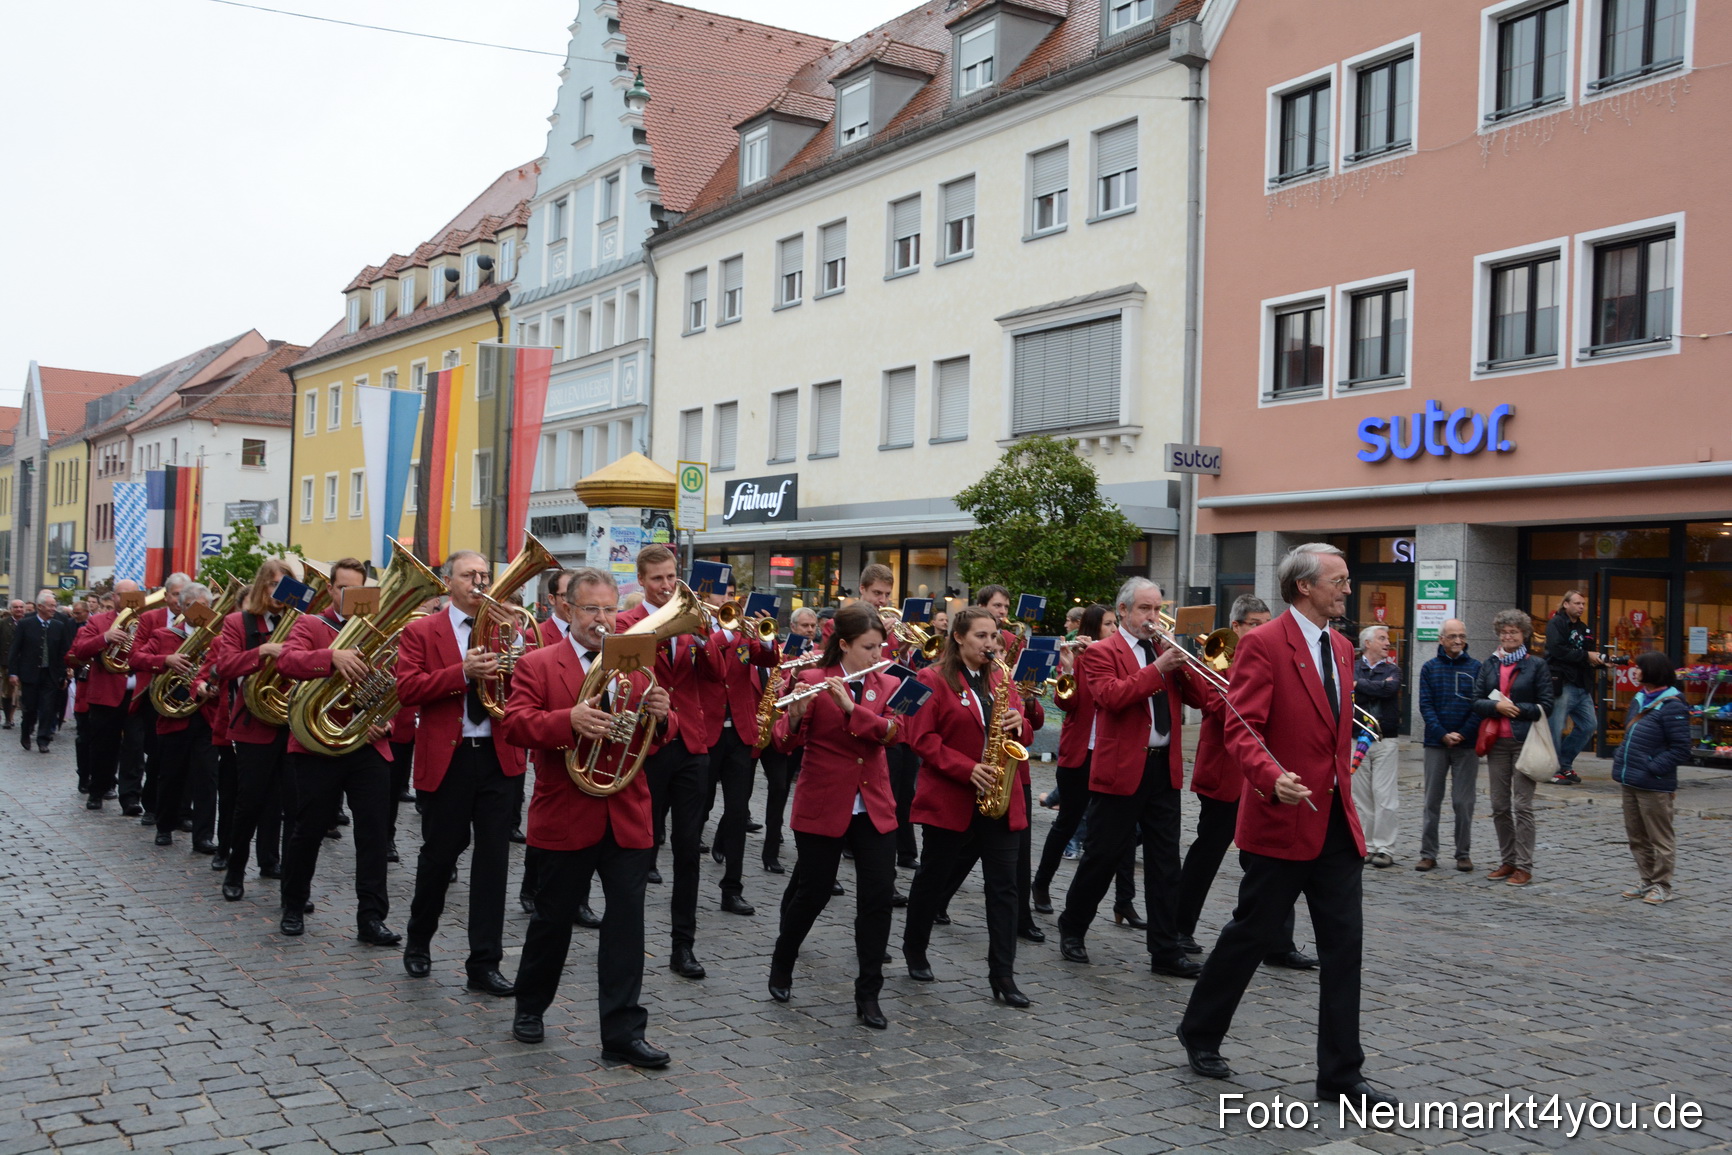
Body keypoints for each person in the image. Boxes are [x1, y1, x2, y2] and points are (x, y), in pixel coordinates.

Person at [1179, 543, 1393, 1107]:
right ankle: (1200, 1031)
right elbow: (1241, 727)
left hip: (1336, 827)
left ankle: (1341, 1075)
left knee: (1345, 949)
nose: (1348, 589)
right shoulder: (1263, 642)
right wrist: (1271, 777)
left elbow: (1333, 727)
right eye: (1339, 580)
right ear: (1304, 587)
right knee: (1251, 933)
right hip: (1282, 820)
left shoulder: (1344, 647)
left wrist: (1350, 756)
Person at [503, 566, 674, 1067]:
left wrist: (664, 714)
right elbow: (515, 724)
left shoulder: (636, 659)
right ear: (566, 610)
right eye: (591, 609)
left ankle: (622, 1031)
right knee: (552, 920)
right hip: (566, 811)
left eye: (609, 609)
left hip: (626, 810)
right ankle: (530, 1006)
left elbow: (665, 728)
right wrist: (567, 721)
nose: (602, 619)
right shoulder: (538, 663)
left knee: (626, 927)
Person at [396, 551, 529, 996]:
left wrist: (522, 647)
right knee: (439, 856)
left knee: (493, 864)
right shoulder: (421, 631)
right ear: (447, 581)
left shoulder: (508, 626)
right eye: (469, 575)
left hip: (498, 755)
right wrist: (461, 672)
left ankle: (484, 963)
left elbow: (530, 682)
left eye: (485, 575)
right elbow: (407, 688)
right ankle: (419, 941)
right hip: (449, 759)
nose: (480, 581)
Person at [1054, 578, 1202, 978]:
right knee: (1102, 857)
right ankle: (1073, 925)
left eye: (1157, 610)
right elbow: (1112, 697)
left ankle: (1165, 951)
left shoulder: (1163, 650)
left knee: (1165, 862)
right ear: (1122, 611)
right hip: (1121, 768)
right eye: (1144, 610)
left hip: (1162, 767)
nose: (1153, 618)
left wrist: (1185, 664)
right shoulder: (1101, 652)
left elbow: (1203, 699)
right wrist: (1158, 669)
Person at [765, 603, 903, 1028]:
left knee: (878, 897)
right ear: (843, 645)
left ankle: (868, 994)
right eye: (867, 647)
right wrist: (794, 717)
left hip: (873, 804)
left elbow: (895, 734)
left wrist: (850, 708)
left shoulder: (889, 682)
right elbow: (783, 744)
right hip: (824, 800)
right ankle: (782, 962)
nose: (877, 655)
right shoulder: (809, 680)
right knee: (814, 891)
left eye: (880, 646)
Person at [902, 607, 1039, 1007]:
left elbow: (1025, 735)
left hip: (1000, 796)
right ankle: (915, 947)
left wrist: (1021, 720)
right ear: (959, 637)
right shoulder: (931, 677)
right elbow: (921, 739)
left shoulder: (1001, 677)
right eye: (981, 636)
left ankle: (1003, 975)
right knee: (934, 876)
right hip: (952, 797)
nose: (990, 644)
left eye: (993, 636)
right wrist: (967, 769)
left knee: (1005, 888)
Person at [1175, 596, 1315, 969]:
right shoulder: (1215, 660)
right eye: (1253, 623)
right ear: (1235, 627)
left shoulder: (1272, 657)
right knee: (1207, 854)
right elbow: (1214, 706)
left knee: (1271, 860)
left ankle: (1278, 942)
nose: (1261, 629)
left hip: (1262, 775)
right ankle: (1178, 928)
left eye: (1266, 622)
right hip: (1224, 771)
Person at [272, 557, 399, 944]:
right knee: (307, 829)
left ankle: (371, 918)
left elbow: (399, 678)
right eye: (343, 589)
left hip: (367, 741)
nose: (350, 596)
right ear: (330, 589)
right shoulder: (311, 623)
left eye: (358, 590)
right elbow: (287, 661)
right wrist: (331, 657)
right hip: (317, 744)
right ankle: (294, 905)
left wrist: (389, 718)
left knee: (374, 834)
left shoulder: (378, 630)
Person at [616, 544, 720, 981]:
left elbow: (717, 674)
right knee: (642, 845)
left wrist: (705, 637)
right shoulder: (626, 622)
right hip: (648, 744)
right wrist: (658, 630)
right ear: (641, 581)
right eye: (657, 579)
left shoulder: (695, 624)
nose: (666, 586)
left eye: (671, 576)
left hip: (692, 745)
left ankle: (684, 945)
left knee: (688, 851)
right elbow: (622, 672)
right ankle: (628, 942)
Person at [1032, 604, 1139, 929]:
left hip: (1113, 754)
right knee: (1067, 822)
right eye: (1108, 624)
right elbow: (1066, 704)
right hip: (1081, 754)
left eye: (1113, 624)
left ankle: (1125, 902)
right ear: (1092, 629)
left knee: (1123, 830)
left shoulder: (1121, 658)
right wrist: (1067, 667)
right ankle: (1041, 884)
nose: (1113, 629)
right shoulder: (1082, 659)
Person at [210, 561, 296, 900]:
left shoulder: (300, 623)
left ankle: (293, 886)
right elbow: (223, 666)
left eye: (285, 586)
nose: (278, 593)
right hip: (253, 726)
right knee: (249, 804)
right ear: (262, 586)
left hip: (292, 726)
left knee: (295, 807)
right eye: (273, 585)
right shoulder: (237, 622)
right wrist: (261, 651)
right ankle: (235, 871)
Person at [701, 575, 779, 919]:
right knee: (697, 810)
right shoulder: (698, 626)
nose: (729, 600)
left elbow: (767, 660)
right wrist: (726, 633)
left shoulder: (743, 633)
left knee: (736, 812)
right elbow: (704, 663)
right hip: (706, 731)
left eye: (732, 595)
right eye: (724, 595)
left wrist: (764, 634)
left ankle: (732, 888)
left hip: (741, 733)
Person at [973, 584, 1043, 943]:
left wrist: (1027, 705)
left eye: (1004, 606)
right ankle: (935, 901)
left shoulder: (1006, 675)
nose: (1003, 611)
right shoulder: (966, 674)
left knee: (1018, 851)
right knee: (963, 853)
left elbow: (1034, 726)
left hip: (1016, 773)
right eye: (997, 606)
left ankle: (1021, 918)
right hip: (979, 770)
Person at [130, 583, 221, 851]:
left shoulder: (217, 638)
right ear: (181, 608)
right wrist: (165, 660)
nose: (202, 611)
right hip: (173, 714)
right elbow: (135, 658)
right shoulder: (163, 635)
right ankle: (165, 825)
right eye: (195, 606)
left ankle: (203, 836)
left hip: (205, 715)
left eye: (206, 605)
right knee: (171, 775)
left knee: (207, 778)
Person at [1471, 609, 1554, 888]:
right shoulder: (1490, 664)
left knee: (1522, 805)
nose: (1508, 637)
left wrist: (1516, 709)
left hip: (1524, 741)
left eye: (1514, 632)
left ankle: (1524, 865)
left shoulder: (1536, 665)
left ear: (1524, 635)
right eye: (1504, 632)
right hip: (1497, 742)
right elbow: (1477, 700)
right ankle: (1507, 860)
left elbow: (1547, 705)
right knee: (1498, 804)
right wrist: (1496, 706)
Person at [1612, 652, 1690, 905]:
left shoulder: (1673, 705)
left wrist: (1653, 767)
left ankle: (1662, 885)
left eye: (1639, 668)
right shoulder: (1639, 699)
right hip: (1630, 779)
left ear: (1653, 672)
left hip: (1654, 783)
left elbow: (1681, 748)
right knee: (1636, 836)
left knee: (1660, 838)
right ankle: (1646, 879)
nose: (1634, 671)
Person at [1415, 619, 1480, 873]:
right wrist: (1442, 733)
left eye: (1461, 636)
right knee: (1432, 800)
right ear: (1441, 639)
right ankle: (1428, 853)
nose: (1457, 641)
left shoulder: (1477, 667)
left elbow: (1480, 706)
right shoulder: (1429, 668)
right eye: (1452, 636)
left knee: (1464, 803)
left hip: (1467, 744)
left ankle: (1463, 854)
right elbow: (1426, 705)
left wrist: (1462, 733)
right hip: (1436, 743)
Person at [760, 606, 819, 874]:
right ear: (793, 627)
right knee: (753, 792)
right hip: (767, 722)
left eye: (813, 625)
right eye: (804, 626)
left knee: (780, 788)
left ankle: (770, 851)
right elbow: (776, 686)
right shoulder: (779, 651)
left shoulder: (817, 654)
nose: (809, 630)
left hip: (792, 729)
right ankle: (726, 836)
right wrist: (795, 673)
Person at [1351, 625, 1402, 868]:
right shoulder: (1351, 666)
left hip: (1385, 738)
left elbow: (1390, 689)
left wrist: (1358, 685)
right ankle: (1365, 845)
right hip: (1356, 738)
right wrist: (1372, 688)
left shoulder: (1393, 669)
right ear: (1367, 643)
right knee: (1361, 797)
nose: (1387, 643)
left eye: (1387, 639)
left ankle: (1384, 848)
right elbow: (1351, 694)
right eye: (1382, 638)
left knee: (1385, 796)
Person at [1545, 590, 1603, 785]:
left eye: (1583, 604)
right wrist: (1586, 656)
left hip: (1581, 684)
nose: (1581, 607)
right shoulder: (1556, 623)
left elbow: (1587, 652)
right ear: (1566, 604)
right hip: (1563, 683)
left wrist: (1600, 661)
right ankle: (1552, 770)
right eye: (1577, 603)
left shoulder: (1583, 627)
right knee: (1555, 727)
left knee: (1589, 725)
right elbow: (1557, 650)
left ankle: (1564, 763)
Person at [8, 590, 72, 754]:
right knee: (29, 708)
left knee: (48, 707)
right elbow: (15, 650)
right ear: (40, 607)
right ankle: (26, 731)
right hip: (29, 673)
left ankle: (43, 739)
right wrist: (13, 672)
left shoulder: (59, 626)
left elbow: (64, 652)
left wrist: (64, 673)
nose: (53, 608)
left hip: (50, 674)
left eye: (55, 605)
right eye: (50, 605)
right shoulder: (26, 624)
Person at [0, 599, 22, 728]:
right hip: (7, 662)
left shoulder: (28, 623)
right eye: (15, 607)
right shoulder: (3, 623)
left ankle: (25, 717)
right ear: (11, 609)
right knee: (7, 691)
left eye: (21, 607)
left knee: (22, 692)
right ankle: (8, 718)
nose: (19, 609)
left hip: (25, 662)